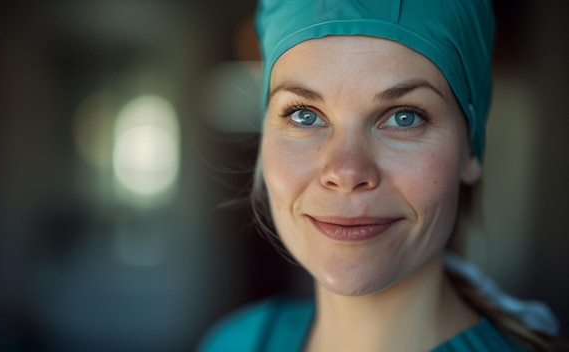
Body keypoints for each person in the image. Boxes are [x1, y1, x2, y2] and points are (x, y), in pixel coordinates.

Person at [199, 0, 565, 351]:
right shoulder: (234, 343)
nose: (346, 172)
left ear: (469, 148)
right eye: (304, 115)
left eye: (404, 117)